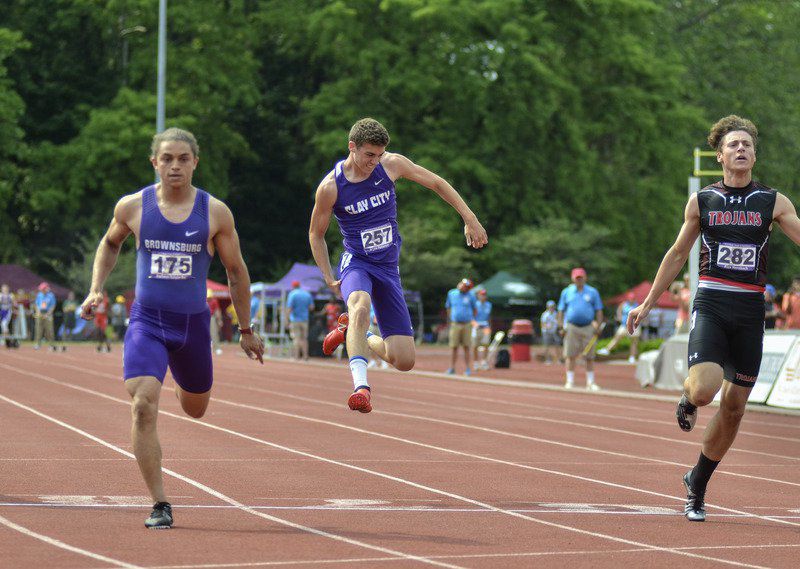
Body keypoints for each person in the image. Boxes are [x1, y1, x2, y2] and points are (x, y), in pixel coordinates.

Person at [80, 127, 264, 529]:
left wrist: (246, 328)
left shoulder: (214, 213)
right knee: (143, 404)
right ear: (155, 162)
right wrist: (97, 289)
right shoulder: (133, 207)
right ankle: (160, 503)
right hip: (147, 322)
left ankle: (182, 378)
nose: (175, 165)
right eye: (167, 158)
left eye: (183, 158)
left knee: (195, 409)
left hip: (192, 326)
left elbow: (236, 272)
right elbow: (110, 244)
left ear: (195, 162)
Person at [626, 115, 800, 522]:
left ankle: (697, 482)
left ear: (754, 155)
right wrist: (649, 302)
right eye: (734, 145)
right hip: (712, 304)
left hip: (751, 310)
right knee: (705, 391)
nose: (741, 150)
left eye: (747, 145)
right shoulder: (703, 201)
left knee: (735, 407)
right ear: (719, 155)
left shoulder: (773, 202)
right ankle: (688, 399)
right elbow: (675, 254)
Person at [309, 118, 487, 413]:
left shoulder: (391, 165)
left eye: (378, 155)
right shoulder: (331, 187)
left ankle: (354, 332)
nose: (373, 162)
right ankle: (361, 387)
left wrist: (470, 218)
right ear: (352, 147)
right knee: (360, 305)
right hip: (358, 264)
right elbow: (316, 234)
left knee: (404, 360)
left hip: (389, 270)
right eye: (368, 155)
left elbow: (437, 183)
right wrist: (328, 275)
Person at [557, 267, 603, 390]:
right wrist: (561, 326)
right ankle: (570, 381)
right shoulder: (566, 292)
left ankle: (590, 382)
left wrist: (598, 325)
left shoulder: (592, 292)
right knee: (570, 354)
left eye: (581, 277)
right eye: (577, 278)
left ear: (585, 278)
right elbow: (561, 310)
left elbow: (598, 310)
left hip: (588, 326)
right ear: (573, 278)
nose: (579, 280)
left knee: (589, 356)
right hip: (572, 326)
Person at [445, 278, 477, 375]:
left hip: (467, 324)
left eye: (465, 286)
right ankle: (451, 368)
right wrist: (451, 319)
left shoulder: (471, 296)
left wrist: (471, 319)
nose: (462, 287)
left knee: (467, 347)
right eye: (462, 284)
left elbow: (475, 309)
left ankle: (468, 369)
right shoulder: (451, 293)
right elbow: (448, 307)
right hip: (455, 324)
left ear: (468, 289)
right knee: (453, 347)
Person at [597, 292, 640, 363]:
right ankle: (607, 350)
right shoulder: (624, 304)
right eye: (630, 298)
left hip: (634, 326)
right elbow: (619, 311)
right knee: (617, 337)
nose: (631, 300)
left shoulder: (637, 305)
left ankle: (632, 357)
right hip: (624, 325)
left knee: (634, 342)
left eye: (632, 299)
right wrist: (619, 318)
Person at [284, 280, 314, 361]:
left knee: (296, 338)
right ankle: (305, 356)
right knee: (304, 338)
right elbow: (311, 307)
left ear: (293, 286)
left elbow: (289, 308)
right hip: (305, 319)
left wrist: (286, 320)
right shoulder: (307, 294)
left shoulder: (292, 294)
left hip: (295, 320)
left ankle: (296, 356)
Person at [34, 282, 60, 351]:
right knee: (38, 329)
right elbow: (36, 304)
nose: (41, 290)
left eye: (43, 289)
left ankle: (51, 345)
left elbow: (53, 305)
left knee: (49, 330)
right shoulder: (39, 295)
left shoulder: (51, 295)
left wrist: (48, 314)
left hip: (48, 313)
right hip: (40, 313)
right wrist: (38, 312)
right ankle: (37, 344)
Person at [539, 300, 559, 365]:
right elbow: (543, 324)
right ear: (547, 307)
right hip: (546, 332)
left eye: (553, 306)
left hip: (554, 332)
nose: (552, 308)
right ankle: (547, 359)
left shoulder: (556, 314)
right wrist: (547, 327)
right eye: (550, 306)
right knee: (546, 346)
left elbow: (558, 322)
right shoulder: (545, 314)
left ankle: (558, 359)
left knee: (557, 345)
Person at [207, 289, 223, 355]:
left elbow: (217, 311)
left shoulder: (214, 301)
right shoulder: (202, 300)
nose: (208, 299)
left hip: (211, 317)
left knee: (214, 333)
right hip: (203, 317)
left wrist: (219, 320)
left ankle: (217, 348)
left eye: (209, 297)